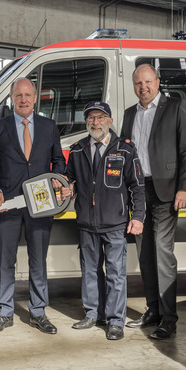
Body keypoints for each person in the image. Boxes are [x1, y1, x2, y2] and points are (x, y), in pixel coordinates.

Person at [0, 77, 66, 334]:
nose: (24, 100)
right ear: (11, 98)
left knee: (37, 259)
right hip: (8, 203)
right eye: (19, 95)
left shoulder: (49, 127)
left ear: (36, 97)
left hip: (40, 204)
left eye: (28, 95)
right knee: (5, 260)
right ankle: (5, 311)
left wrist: (56, 182)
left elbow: (58, 162)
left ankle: (38, 311)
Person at [120, 64, 186, 340]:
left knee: (163, 254)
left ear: (158, 81)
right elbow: (125, 153)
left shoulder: (174, 108)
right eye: (138, 83)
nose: (144, 87)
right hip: (138, 193)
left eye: (148, 81)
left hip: (166, 191)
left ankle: (169, 318)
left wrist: (185, 188)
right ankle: (152, 309)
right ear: (133, 85)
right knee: (145, 255)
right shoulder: (130, 114)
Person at [61, 101, 145, 340]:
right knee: (90, 270)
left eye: (100, 118)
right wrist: (67, 189)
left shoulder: (125, 149)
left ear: (109, 121)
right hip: (87, 223)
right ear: (86, 121)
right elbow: (69, 180)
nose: (95, 122)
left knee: (116, 273)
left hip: (115, 224)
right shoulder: (77, 149)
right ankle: (92, 314)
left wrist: (137, 217)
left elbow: (137, 187)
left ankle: (115, 320)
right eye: (91, 118)